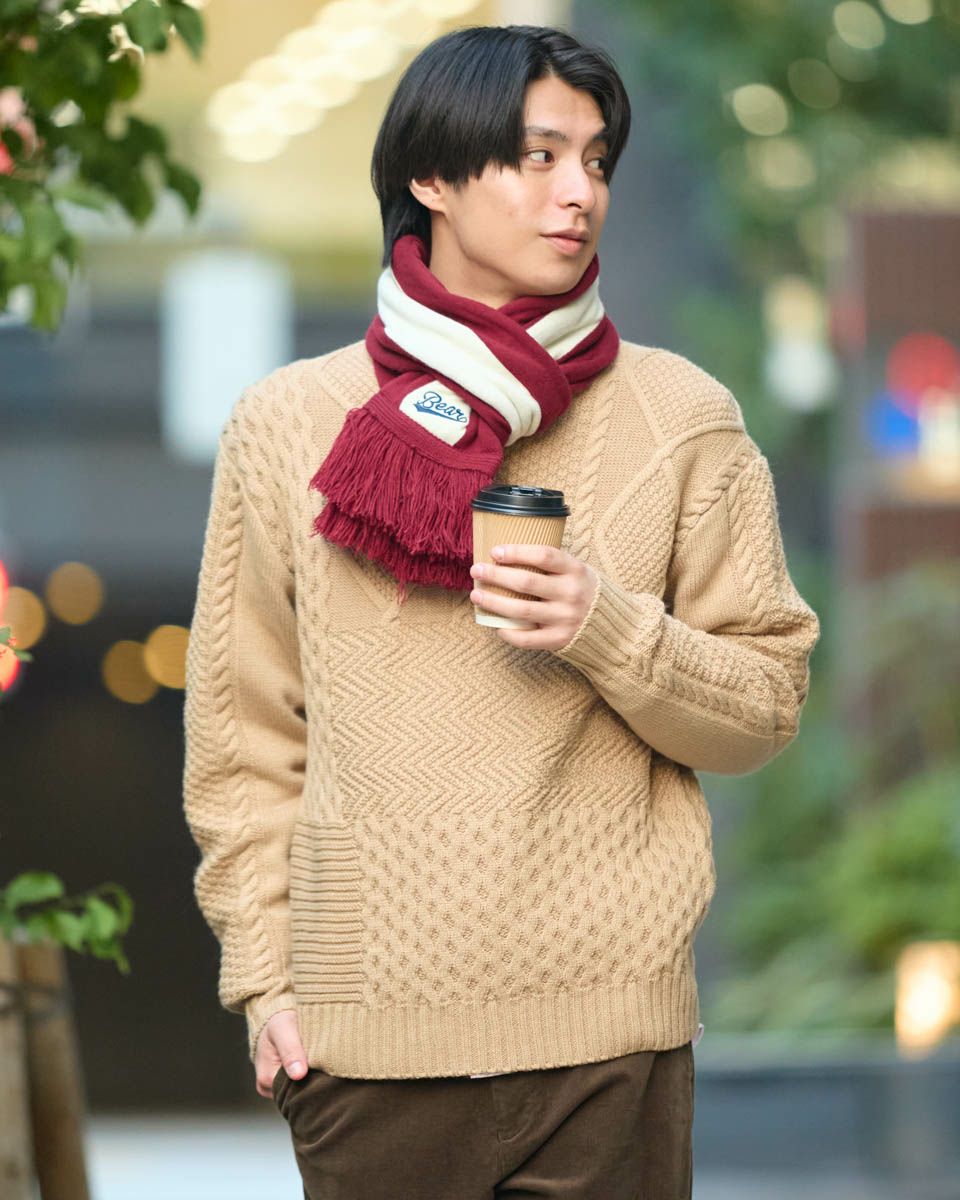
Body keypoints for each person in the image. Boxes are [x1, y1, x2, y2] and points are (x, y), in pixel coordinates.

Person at [182, 22, 820, 1200]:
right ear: (432, 174)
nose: (579, 192)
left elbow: (765, 706)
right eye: (538, 157)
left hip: (610, 1048)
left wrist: (608, 630)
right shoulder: (287, 423)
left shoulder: (683, 416)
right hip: (366, 1051)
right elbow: (244, 745)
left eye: (597, 160)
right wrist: (269, 982)